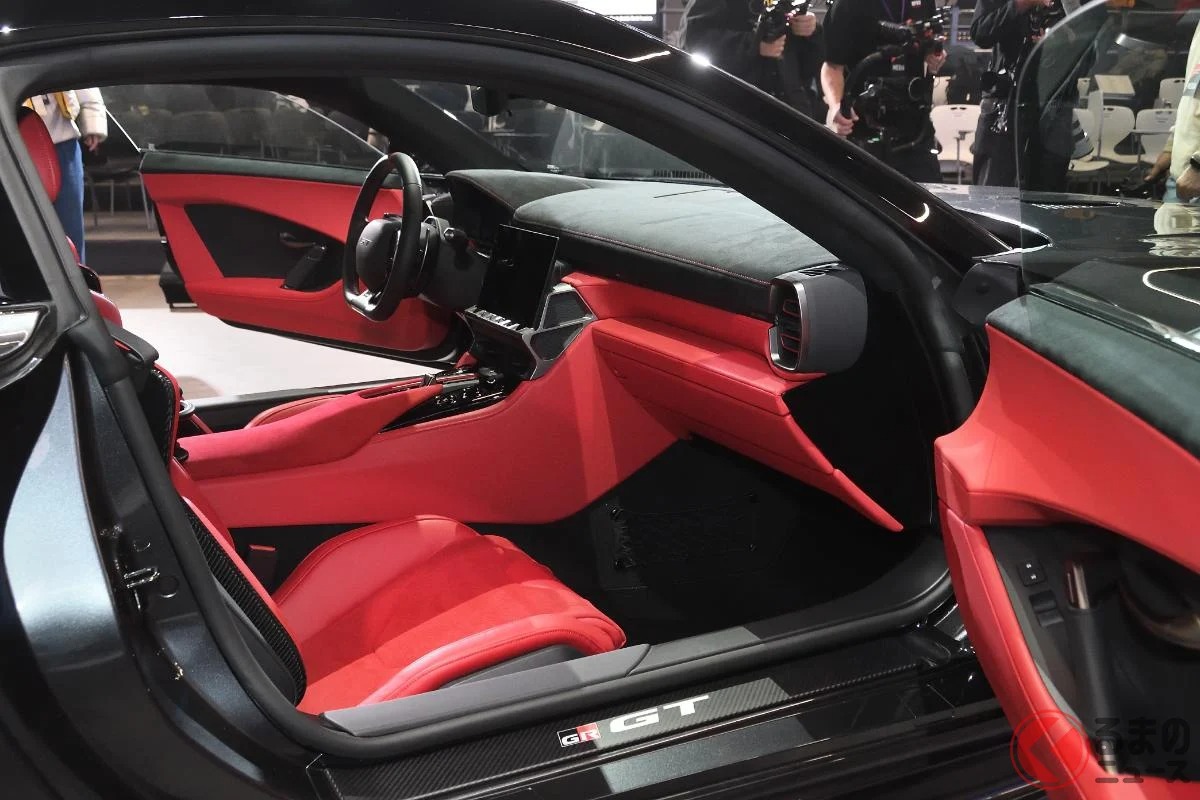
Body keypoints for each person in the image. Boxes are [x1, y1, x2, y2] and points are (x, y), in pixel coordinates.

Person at [821, 0, 947, 181]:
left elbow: (929, 43)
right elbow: (832, 66)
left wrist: (934, 57)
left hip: (915, 127)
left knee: (927, 194)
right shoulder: (848, 5)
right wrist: (836, 106)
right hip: (862, 128)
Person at [970, 0, 1063, 187]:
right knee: (992, 195)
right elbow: (980, 33)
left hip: (1053, 108)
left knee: (1047, 197)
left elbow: (1091, 45)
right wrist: (1020, 5)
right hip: (1005, 105)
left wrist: (1061, 42)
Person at [680, 0, 825, 119]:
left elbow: (808, 66)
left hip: (790, 113)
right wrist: (753, 45)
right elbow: (693, 41)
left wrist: (810, 32)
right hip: (734, 114)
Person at [25, 90, 107, 260]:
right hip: (11, 143)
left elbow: (83, 80)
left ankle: (75, 276)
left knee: (70, 229)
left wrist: (92, 121)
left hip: (62, 140)